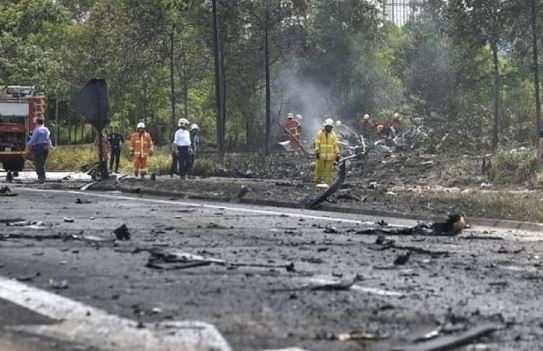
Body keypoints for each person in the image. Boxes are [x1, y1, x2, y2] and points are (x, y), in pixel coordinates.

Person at [314, 118, 340, 186]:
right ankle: (317, 182)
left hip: (330, 157)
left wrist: (337, 154)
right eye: (327, 126)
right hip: (321, 155)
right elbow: (317, 143)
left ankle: (328, 184)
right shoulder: (320, 133)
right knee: (318, 169)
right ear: (325, 126)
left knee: (329, 171)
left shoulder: (333, 135)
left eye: (330, 127)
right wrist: (317, 151)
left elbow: (335, 145)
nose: (329, 128)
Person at [25, 118, 51, 183]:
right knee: (42, 163)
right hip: (45, 147)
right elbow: (48, 138)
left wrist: (27, 148)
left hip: (38, 147)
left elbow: (32, 140)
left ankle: (41, 178)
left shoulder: (37, 130)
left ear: (37, 123)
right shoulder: (46, 129)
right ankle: (43, 177)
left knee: (38, 163)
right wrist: (50, 145)